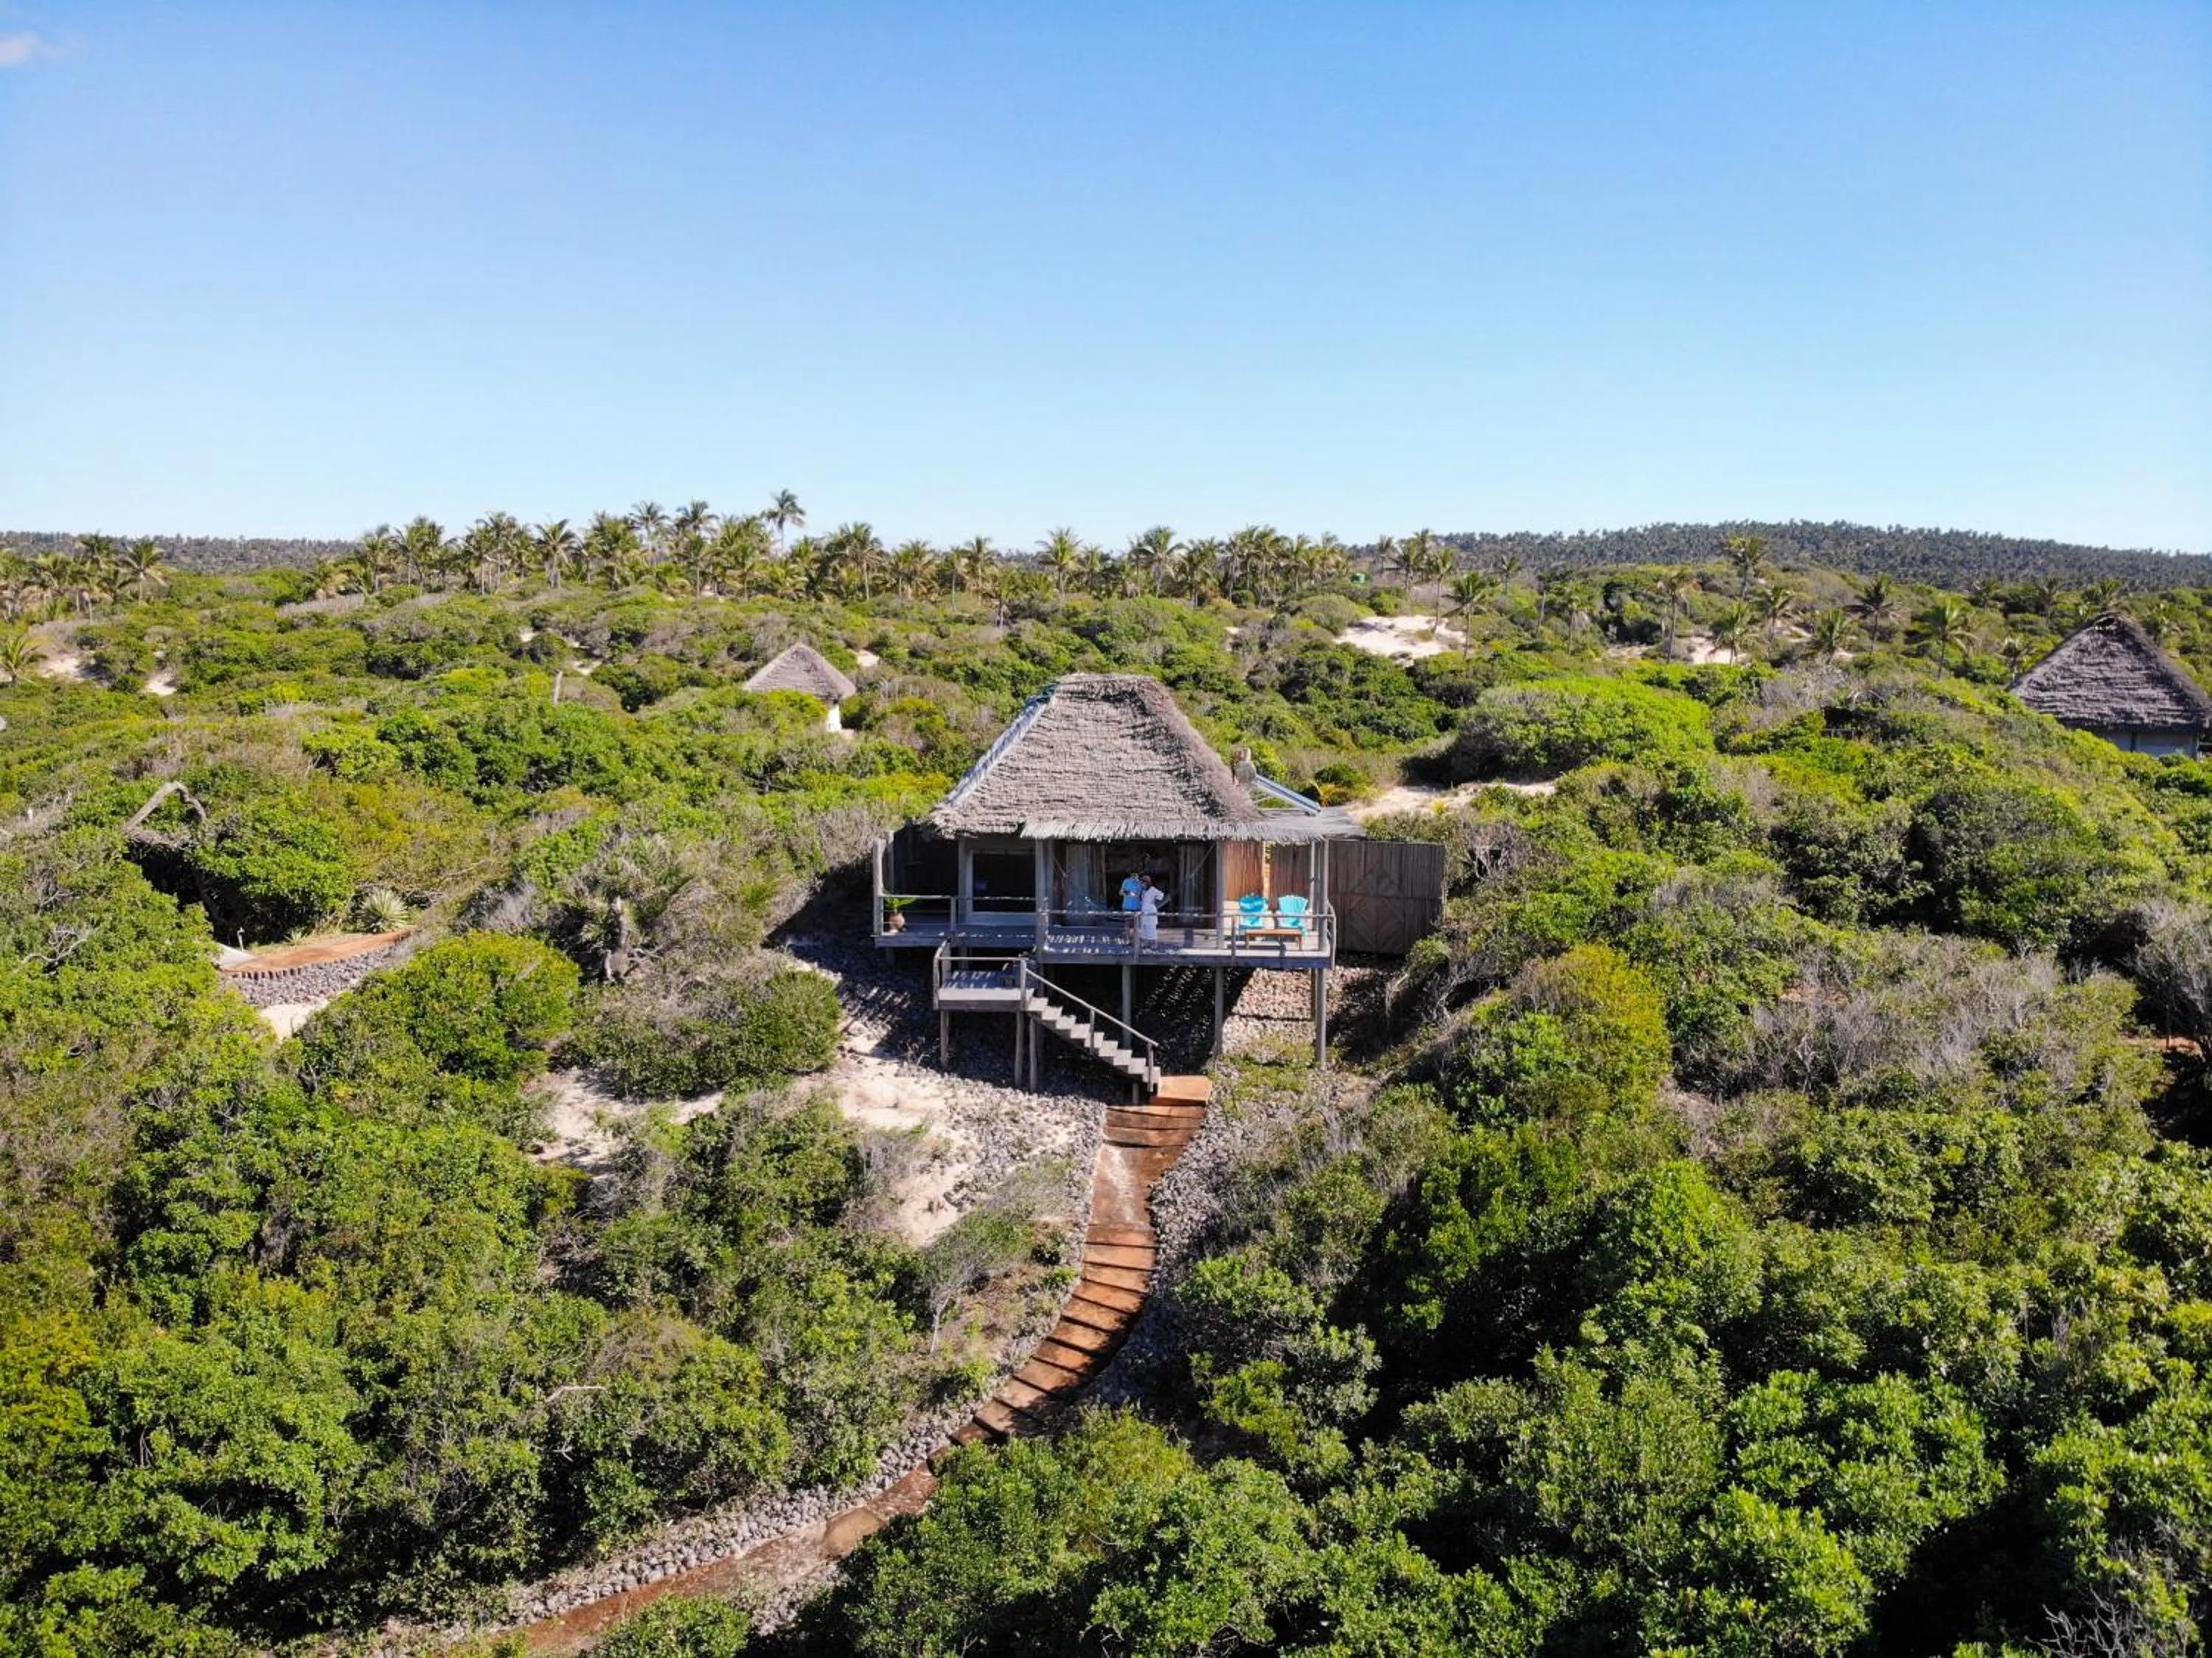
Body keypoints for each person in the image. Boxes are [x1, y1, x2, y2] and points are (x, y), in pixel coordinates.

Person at [1135, 873, 1164, 950]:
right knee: (1144, 928)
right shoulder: (1144, 891)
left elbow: (1161, 896)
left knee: (1151, 928)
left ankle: (1154, 944)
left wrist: (1155, 899)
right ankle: (1145, 943)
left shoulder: (1153, 890)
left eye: (1143, 883)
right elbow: (1143, 901)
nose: (1142, 885)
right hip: (1144, 911)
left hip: (1151, 910)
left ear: (1146, 883)